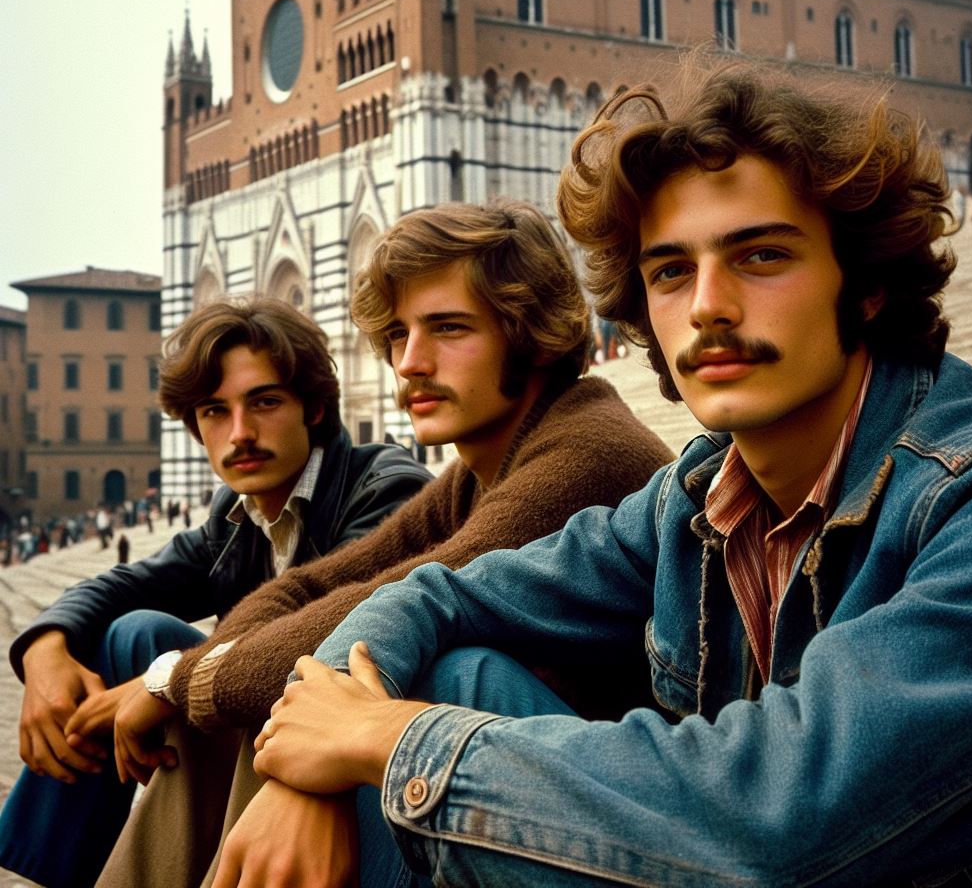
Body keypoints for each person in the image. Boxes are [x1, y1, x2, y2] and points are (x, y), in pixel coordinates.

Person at [211, 56, 972, 888]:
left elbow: (778, 821)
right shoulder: (693, 500)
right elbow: (433, 592)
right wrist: (307, 762)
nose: (707, 304)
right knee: (451, 671)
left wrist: (377, 740)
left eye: (762, 257)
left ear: (869, 285)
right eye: (670, 271)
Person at [94, 201, 673, 888]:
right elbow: (301, 591)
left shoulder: (585, 452)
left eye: (449, 329)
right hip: (505, 793)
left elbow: (387, 607)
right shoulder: (477, 469)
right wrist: (193, 680)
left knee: (397, 674)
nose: (410, 363)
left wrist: (177, 680)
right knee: (264, 692)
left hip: (595, 828)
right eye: (397, 334)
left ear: (530, 335)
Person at [0, 296, 432, 888]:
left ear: (312, 406)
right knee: (135, 631)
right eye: (213, 411)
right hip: (248, 723)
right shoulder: (234, 511)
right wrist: (44, 648)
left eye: (264, 402)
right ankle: (48, 869)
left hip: (340, 759)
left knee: (153, 655)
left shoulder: (384, 488)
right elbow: (126, 583)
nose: (241, 434)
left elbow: (329, 631)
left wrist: (162, 684)